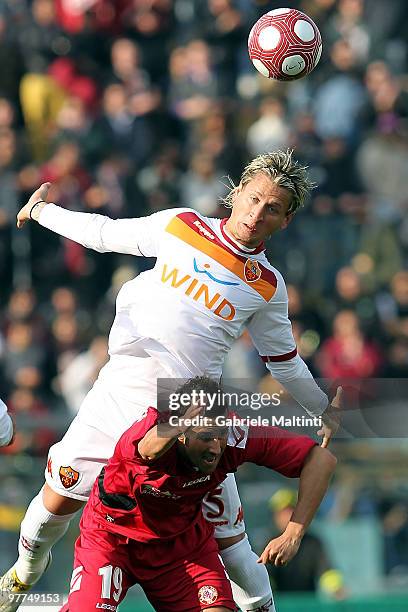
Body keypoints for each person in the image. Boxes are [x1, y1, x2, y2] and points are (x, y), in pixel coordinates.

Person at [1, 150, 341, 612]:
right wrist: (43, 210)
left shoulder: (266, 285)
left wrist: (321, 407)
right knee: (55, 503)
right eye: (254, 198)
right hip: (121, 390)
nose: (257, 213)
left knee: (233, 546)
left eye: (272, 208)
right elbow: (104, 234)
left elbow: (284, 362)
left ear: (285, 219)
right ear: (236, 193)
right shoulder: (183, 226)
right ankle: (23, 575)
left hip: (192, 416)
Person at [60, 377, 337, 611]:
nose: (216, 448)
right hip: (112, 540)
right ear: (181, 434)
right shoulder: (147, 433)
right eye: (206, 437)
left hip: (180, 547)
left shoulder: (234, 438)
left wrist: (293, 534)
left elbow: (322, 461)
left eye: (220, 435)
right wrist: (180, 423)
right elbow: (148, 448)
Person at [267, 489, 346, 599]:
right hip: (279, 606)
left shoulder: (313, 543)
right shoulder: (269, 543)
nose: (287, 516)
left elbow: (326, 571)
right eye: (282, 512)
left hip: (307, 605)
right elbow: (265, 576)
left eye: (290, 511)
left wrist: (337, 589)